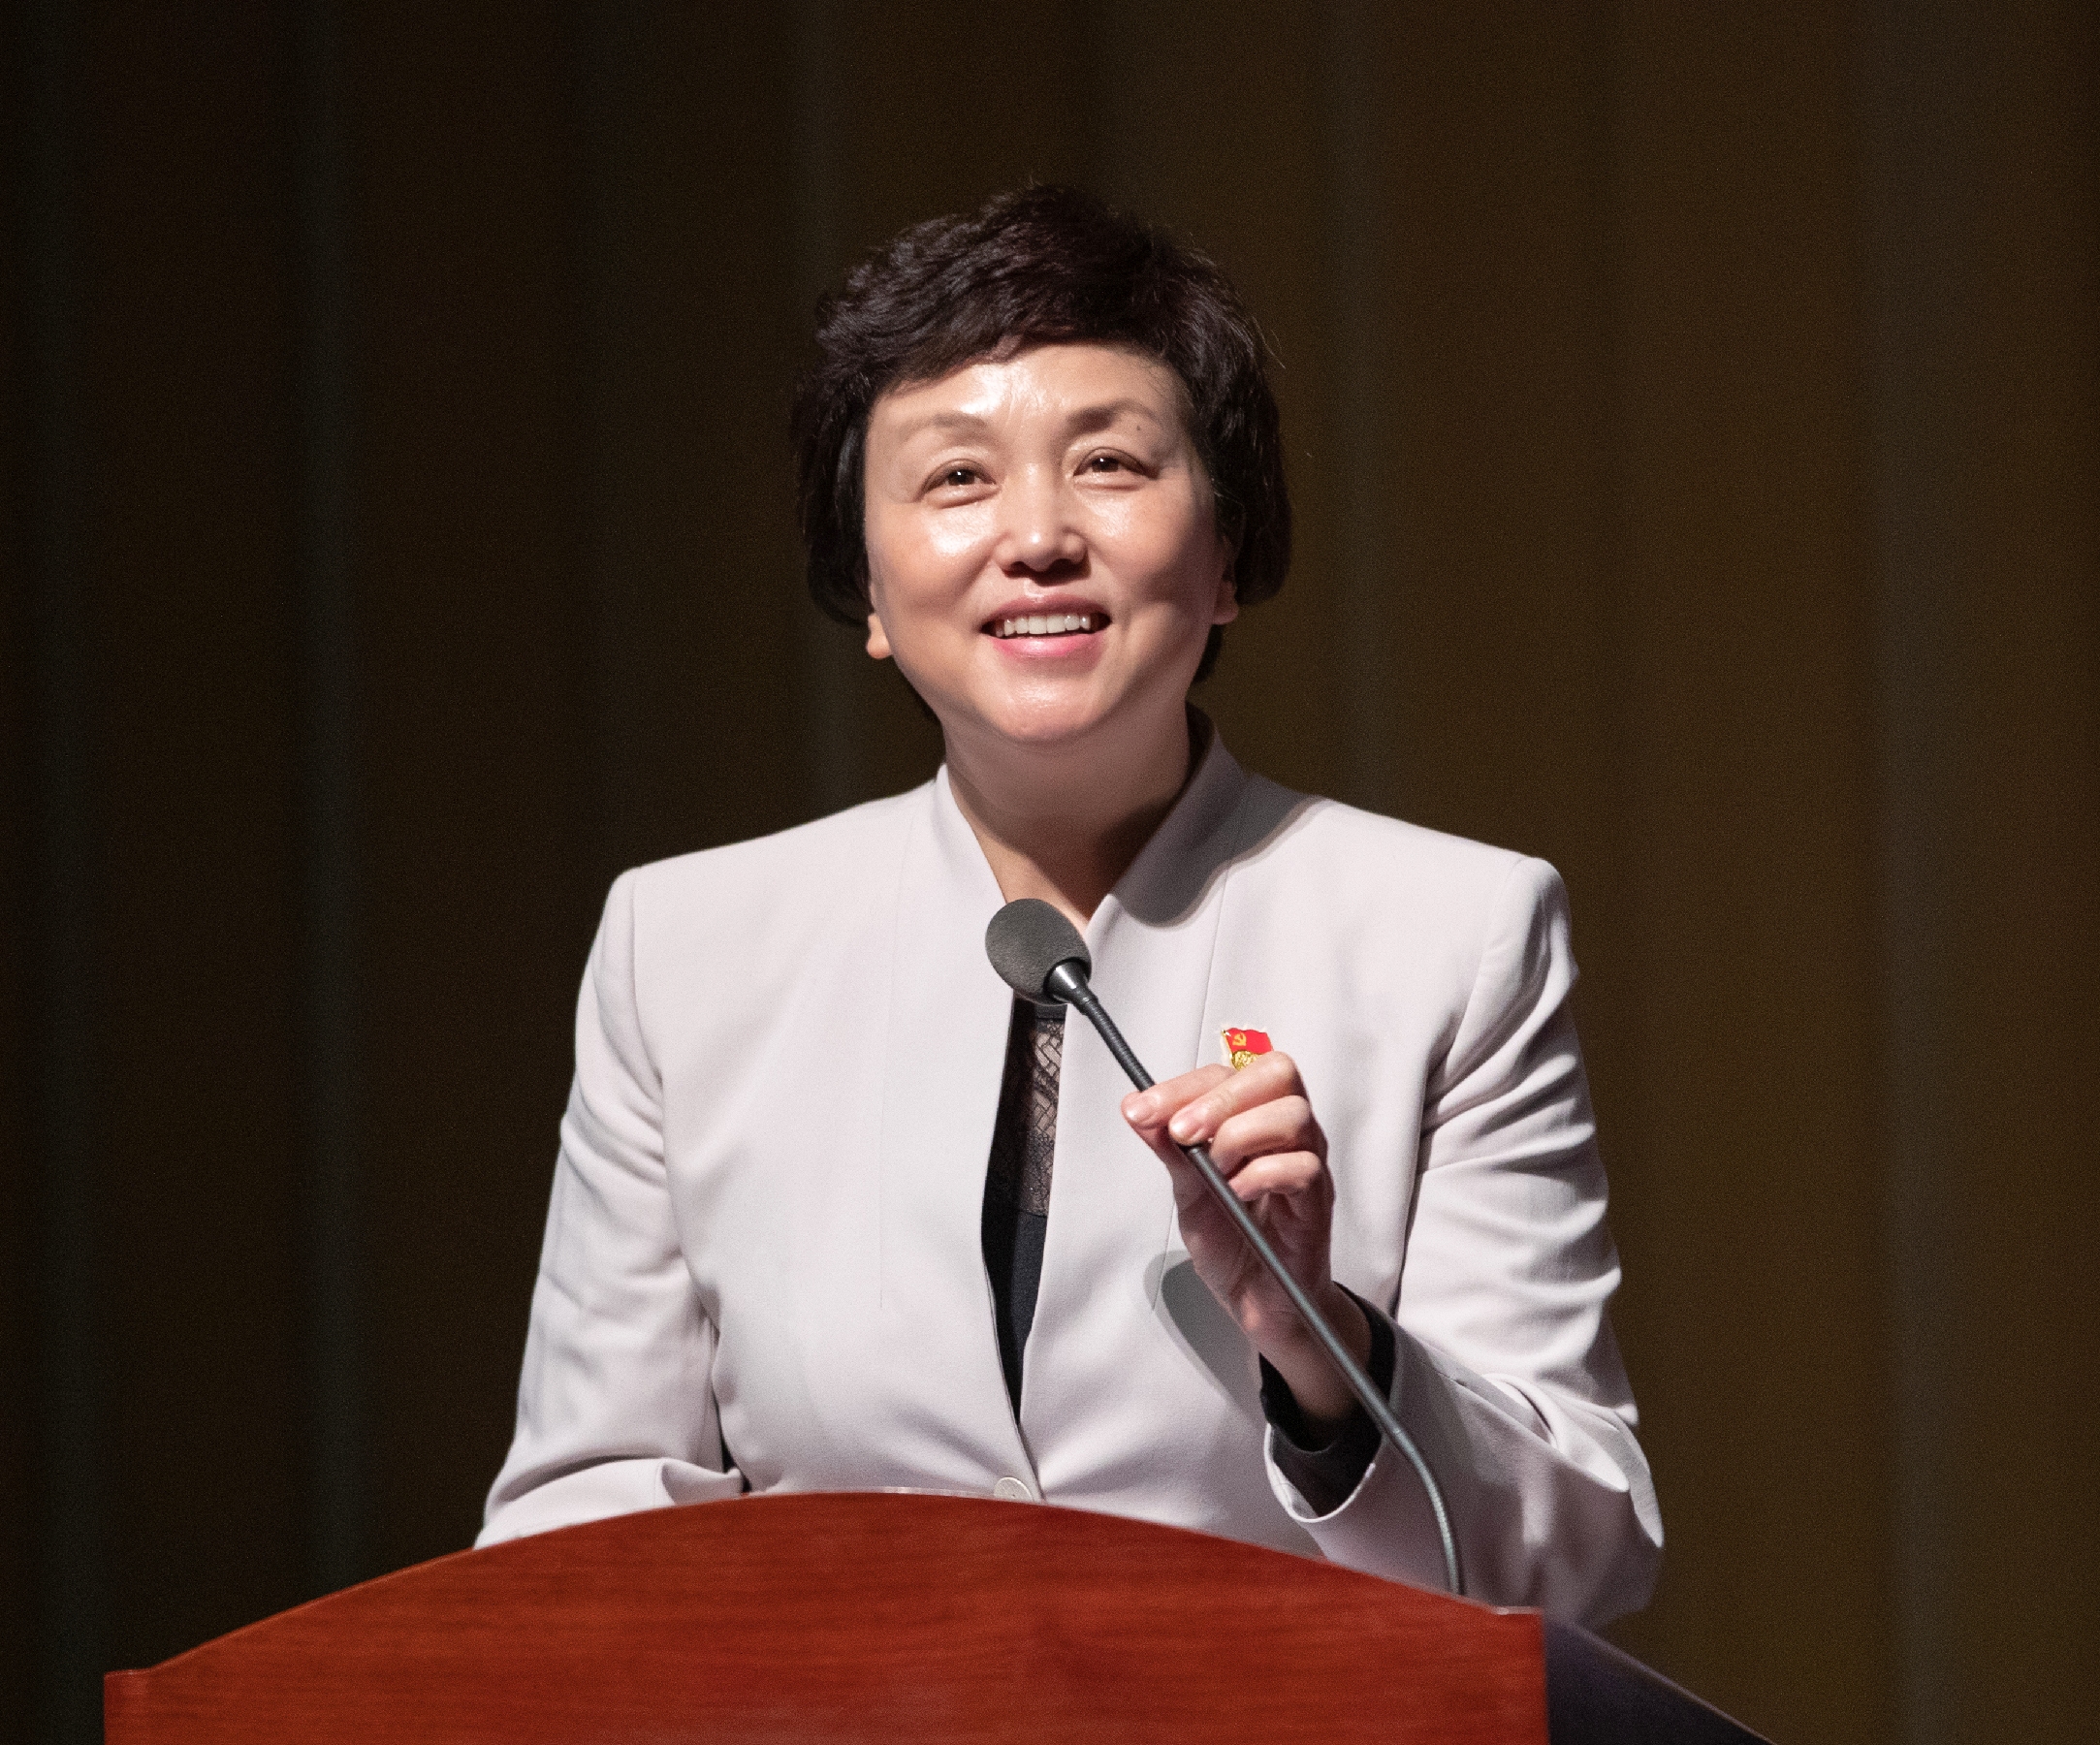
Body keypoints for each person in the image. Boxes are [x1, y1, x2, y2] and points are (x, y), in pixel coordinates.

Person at [480, 185, 1662, 1625]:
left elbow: (1573, 1551)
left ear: (1227, 557)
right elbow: (583, 1514)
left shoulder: (1449, 935)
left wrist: (1324, 1349)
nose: (1036, 536)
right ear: (867, 585)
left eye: (1108, 463)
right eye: (956, 478)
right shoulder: (687, 950)